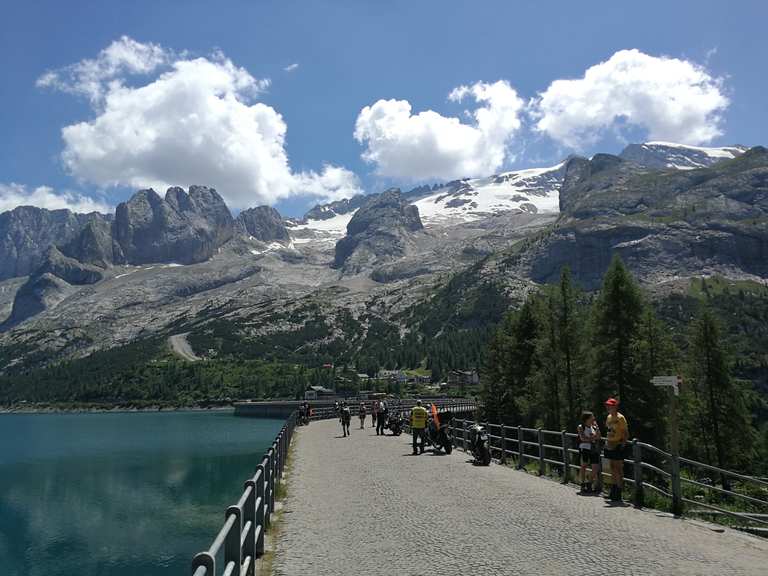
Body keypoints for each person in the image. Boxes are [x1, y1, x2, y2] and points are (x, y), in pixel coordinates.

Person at [603, 398, 629, 502]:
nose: (608, 407)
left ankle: (618, 492)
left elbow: (626, 432)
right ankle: (613, 490)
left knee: (618, 468)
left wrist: (622, 444)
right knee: (612, 467)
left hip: (617, 444)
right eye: (607, 405)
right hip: (610, 443)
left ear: (615, 406)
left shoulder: (620, 418)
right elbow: (609, 429)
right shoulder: (609, 417)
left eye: (610, 405)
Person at [577, 411, 601, 493]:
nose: (593, 418)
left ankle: (589, 482)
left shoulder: (594, 427)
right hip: (584, 448)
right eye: (592, 417)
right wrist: (592, 439)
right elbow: (582, 438)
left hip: (594, 449)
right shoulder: (581, 427)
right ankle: (583, 484)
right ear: (586, 419)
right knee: (584, 465)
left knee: (595, 467)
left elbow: (599, 436)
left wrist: (597, 428)